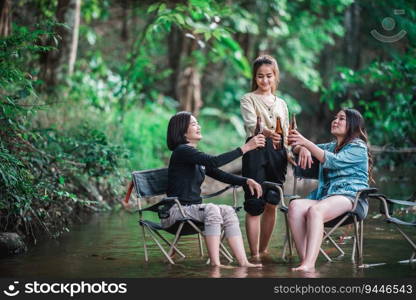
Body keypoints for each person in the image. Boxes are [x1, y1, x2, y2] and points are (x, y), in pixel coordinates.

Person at [163, 111, 265, 267]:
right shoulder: (182, 151)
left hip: (192, 211)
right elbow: (215, 161)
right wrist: (245, 148)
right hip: (176, 212)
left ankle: (244, 262)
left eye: (197, 123)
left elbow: (218, 173)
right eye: (194, 124)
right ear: (182, 131)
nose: (199, 126)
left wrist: (245, 181)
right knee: (211, 209)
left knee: (228, 210)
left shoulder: (193, 154)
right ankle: (215, 264)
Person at [240, 54, 311, 259]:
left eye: (269, 76)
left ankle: (263, 250)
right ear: (255, 77)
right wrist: (272, 134)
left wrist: (293, 150)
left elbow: (287, 135)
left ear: (275, 76)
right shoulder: (248, 99)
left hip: (278, 155)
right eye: (260, 76)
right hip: (256, 150)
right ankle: (253, 256)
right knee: (255, 204)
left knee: (271, 201)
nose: (265, 81)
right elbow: (252, 126)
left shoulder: (282, 103)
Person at [287, 108, 372, 272]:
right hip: (328, 198)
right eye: (335, 118)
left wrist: (307, 143)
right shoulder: (331, 146)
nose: (335, 120)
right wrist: (302, 148)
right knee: (295, 206)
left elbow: (333, 162)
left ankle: (309, 264)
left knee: (315, 210)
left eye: (341, 118)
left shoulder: (358, 147)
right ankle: (305, 261)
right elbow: (295, 147)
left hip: (352, 198)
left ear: (352, 125)